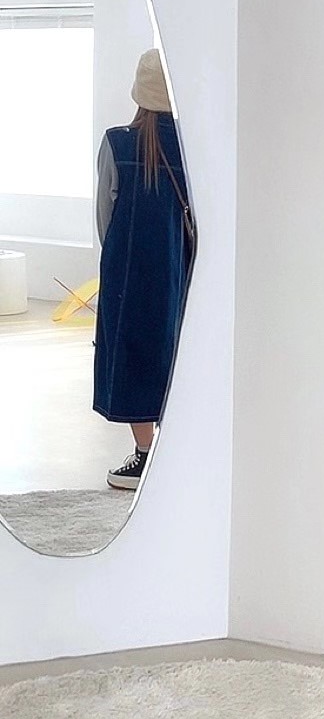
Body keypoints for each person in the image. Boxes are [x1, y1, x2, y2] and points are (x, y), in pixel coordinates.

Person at [94, 47, 194, 489]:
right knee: (179, 351)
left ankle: (145, 454)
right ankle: (176, 450)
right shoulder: (194, 146)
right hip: (184, 268)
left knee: (133, 352)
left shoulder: (118, 142)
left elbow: (105, 214)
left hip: (130, 268)